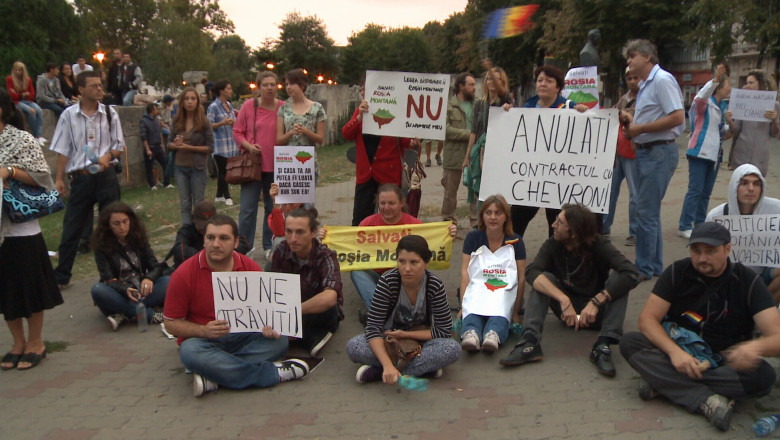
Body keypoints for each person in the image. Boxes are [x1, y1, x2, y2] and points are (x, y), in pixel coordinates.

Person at [620, 222, 780, 431]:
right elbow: (647, 320)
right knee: (630, 342)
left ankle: (663, 383)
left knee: (764, 377)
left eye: (710, 251)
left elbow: (777, 336)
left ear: (728, 249)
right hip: (680, 352)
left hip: (724, 360)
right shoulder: (678, 272)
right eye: (696, 251)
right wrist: (675, 353)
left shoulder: (748, 281)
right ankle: (707, 401)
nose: (702, 258)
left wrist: (755, 348)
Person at [163, 214, 311, 397]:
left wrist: (268, 327)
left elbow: (264, 313)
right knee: (189, 352)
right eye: (210, 238)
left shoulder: (250, 267)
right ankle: (270, 374)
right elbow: (170, 323)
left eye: (224, 238)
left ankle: (214, 373)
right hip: (204, 340)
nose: (216, 244)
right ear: (204, 241)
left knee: (279, 342)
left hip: (243, 336)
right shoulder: (184, 274)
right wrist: (204, 331)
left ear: (235, 242)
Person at [500, 204, 639, 377]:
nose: (553, 225)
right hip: (567, 311)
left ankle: (603, 345)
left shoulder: (599, 244)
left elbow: (632, 273)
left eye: (559, 222)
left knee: (620, 279)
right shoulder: (553, 243)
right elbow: (532, 272)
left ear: (574, 232)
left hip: (596, 313)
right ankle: (530, 341)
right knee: (543, 279)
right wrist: (564, 300)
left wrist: (598, 300)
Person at [0, 88, 63, 371]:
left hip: (20, 228)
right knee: (6, 289)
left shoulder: (21, 140)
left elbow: (43, 178)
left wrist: (9, 172)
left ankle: (36, 341)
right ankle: (17, 342)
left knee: (28, 286)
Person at [346, 235, 461, 384]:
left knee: (451, 348)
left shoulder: (434, 285)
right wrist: (387, 363)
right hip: (389, 343)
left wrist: (405, 334)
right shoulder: (388, 281)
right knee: (354, 346)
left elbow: (443, 331)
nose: (407, 269)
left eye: (414, 262)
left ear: (426, 263)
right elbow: (373, 328)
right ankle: (417, 369)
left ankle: (379, 372)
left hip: (420, 345)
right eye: (402, 262)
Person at [50, 70, 124, 289]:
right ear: (81, 90)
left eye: (100, 85)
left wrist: (107, 157)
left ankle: (112, 274)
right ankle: (62, 275)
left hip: (106, 177)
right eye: (94, 86)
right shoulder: (68, 116)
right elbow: (63, 149)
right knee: (72, 226)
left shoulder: (110, 113)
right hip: (81, 178)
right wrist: (59, 178)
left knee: (111, 226)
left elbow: (119, 145)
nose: (100, 89)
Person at [621, 39, 685, 281]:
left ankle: (644, 268)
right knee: (650, 212)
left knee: (645, 212)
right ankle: (653, 265)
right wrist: (633, 123)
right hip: (649, 151)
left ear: (647, 57)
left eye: (633, 56)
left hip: (658, 151)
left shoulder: (662, 80)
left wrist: (639, 129)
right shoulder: (648, 83)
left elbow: (678, 117)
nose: (629, 61)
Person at [510, 65, 589, 238]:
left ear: (558, 87)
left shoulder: (570, 108)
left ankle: (554, 261)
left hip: (557, 179)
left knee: (556, 224)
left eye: (548, 81)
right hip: (531, 177)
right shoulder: (527, 107)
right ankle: (511, 257)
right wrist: (506, 115)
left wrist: (584, 114)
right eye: (539, 80)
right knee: (515, 221)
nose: (543, 84)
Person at [350, 184, 457, 308]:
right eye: (382, 203)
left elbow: (431, 247)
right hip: (377, 276)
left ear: (401, 203)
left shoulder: (414, 225)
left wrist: (448, 234)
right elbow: (351, 246)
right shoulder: (367, 224)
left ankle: (385, 310)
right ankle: (380, 309)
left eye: (391, 203)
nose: (386, 207)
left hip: (405, 275)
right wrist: (328, 237)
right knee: (357, 272)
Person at [342, 79, 415, 226]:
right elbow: (346, 134)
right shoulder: (360, 111)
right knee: (360, 217)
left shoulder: (394, 111)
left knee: (392, 215)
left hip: (389, 174)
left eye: (365, 89)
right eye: (361, 90)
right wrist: (359, 117)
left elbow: (406, 142)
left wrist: (412, 144)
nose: (362, 92)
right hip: (365, 175)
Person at [271, 208, 343, 356]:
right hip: (291, 306)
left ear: (313, 233)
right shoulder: (282, 250)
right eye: (289, 231)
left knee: (329, 308)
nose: (293, 238)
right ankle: (308, 337)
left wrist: (292, 311)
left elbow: (330, 297)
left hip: (315, 310)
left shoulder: (326, 255)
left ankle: (298, 335)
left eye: (300, 232)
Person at [459, 195, 526, 353]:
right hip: (477, 288)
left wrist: (515, 312)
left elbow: (521, 278)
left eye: (498, 213)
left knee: (501, 307)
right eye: (488, 213)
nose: (493, 217)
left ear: (506, 217)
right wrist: (463, 305)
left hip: (505, 291)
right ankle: (471, 332)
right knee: (473, 306)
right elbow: (464, 272)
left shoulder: (515, 241)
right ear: (482, 215)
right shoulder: (473, 238)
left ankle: (493, 334)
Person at [90, 202, 169, 331]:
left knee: (168, 281)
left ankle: (122, 314)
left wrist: (149, 279)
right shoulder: (101, 246)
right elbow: (108, 279)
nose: (122, 227)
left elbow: (155, 266)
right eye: (116, 224)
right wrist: (124, 289)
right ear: (108, 226)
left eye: (125, 221)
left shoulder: (139, 237)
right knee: (98, 290)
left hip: (142, 290)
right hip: (120, 293)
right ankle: (150, 315)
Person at [706, 164, 780, 301]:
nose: (751, 188)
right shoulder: (716, 216)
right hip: (727, 278)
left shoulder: (776, 210)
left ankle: (765, 309)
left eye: (756, 184)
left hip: (763, 277)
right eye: (744, 183)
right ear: (735, 187)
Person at [678, 64, 731, 238]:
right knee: (695, 190)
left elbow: (722, 130)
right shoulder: (704, 103)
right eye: (727, 85)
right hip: (699, 152)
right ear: (719, 88)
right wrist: (714, 80)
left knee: (706, 192)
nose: (730, 88)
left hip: (715, 155)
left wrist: (731, 124)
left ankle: (699, 224)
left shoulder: (723, 106)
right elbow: (699, 97)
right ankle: (685, 225)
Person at [234, 71, 284, 258]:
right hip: (253, 165)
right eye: (265, 85)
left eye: (273, 84)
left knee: (272, 208)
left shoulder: (284, 107)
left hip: (277, 165)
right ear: (258, 87)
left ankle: (269, 244)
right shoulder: (249, 106)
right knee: (248, 208)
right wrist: (248, 145)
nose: (270, 88)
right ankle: (245, 245)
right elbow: (237, 131)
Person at [462, 66, 512, 217]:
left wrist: (508, 110)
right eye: (489, 78)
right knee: (481, 192)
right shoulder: (479, 104)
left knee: (497, 193)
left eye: (496, 79)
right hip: (481, 153)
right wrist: (467, 156)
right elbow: (474, 132)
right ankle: (481, 225)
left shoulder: (506, 103)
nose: (491, 82)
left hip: (499, 154)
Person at [603, 67, 639, 246]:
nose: (632, 81)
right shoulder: (624, 98)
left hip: (634, 153)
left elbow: (631, 117)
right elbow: (610, 113)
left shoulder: (645, 99)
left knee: (635, 194)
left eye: (635, 78)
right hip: (618, 152)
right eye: (629, 78)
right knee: (610, 192)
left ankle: (634, 232)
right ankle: (604, 227)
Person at [169, 87, 214, 225]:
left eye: (193, 99)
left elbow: (210, 147)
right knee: (184, 203)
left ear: (197, 101)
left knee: (198, 204)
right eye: (186, 99)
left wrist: (190, 147)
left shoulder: (204, 121)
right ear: (182, 102)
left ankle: (201, 232)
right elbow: (168, 144)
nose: (189, 102)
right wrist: (175, 145)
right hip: (180, 167)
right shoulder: (177, 120)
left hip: (198, 168)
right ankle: (186, 232)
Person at [725, 69, 780, 175]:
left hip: (760, 156)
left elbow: (774, 133)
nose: (747, 85)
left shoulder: (774, 105)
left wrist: (774, 121)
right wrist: (730, 121)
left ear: (761, 84)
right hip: (741, 154)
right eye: (747, 83)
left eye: (751, 82)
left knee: (756, 187)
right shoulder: (743, 103)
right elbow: (736, 130)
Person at [276, 69, 326, 180]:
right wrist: (291, 133)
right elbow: (278, 140)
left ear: (302, 85)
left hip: (308, 163)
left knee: (307, 197)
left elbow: (320, 139)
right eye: (286, 84)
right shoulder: (283, 109)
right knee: (288, 197)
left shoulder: (317, 108)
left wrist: (305, 131)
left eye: (292, 83)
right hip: (288, 164)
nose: (288, 87)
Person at [441, 72, 476, 226]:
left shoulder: (478, 105)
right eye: (471, 84)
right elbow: (445, 130)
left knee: (475, 191)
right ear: (461, 86)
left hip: (474, 154)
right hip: (454, 155)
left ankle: (476, 224)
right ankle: (448, 223)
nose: (474, 88)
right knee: (449, 193)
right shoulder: (448, 106)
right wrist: (470, 135)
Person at [207, 80, 238, 206]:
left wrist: (232, 122)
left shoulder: (230, 105)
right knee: (223, 170)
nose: (230, 91)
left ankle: (219, 195)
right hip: (219, 144)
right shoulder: (213, 107)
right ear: (221, 91)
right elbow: (209, 125)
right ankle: (227, 196)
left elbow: (235, 121)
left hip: (230, 142)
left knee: (224, 170)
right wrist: (222, 123)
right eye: (228, 89)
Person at [6, 61, 45, 144]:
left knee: (39, 110)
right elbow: (12, 95)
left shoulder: (28, 79)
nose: (17, 72)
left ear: (23, 71)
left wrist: (20, 94)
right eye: (15, 70)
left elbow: (32, 94)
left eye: (19, 70)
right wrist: (22, 94)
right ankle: (35, 135)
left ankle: (39, 135)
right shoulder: (10, 79)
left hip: (27, 101)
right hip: (17, 102)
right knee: (31, 111)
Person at [170, 201, 216, 269]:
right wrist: (204, 257)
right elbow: (180, 249)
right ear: (193, 219)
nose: (205, 229)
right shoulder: (186, 231)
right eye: (202, 226)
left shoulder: (221, 230)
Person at [140, 103, 170, 190]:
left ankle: (167, 183)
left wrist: (162, 144)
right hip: (150, 147)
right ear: (152, 110)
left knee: (166, 163)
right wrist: (147, 149)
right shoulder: (144, 121)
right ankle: (152, 185)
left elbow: (159, 132)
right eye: (156, 109)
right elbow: (143, 136)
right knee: (149, 167)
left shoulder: (156, 120)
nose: (158, 111)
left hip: (158, 147)